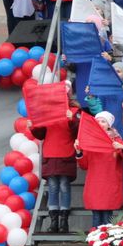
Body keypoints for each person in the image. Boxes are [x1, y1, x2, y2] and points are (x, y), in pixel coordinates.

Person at [74, 111, 123, 229]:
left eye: (103, 121)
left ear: (109, 124)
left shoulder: (116, 140)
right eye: (98, 121)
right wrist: (79, 153)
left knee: (108, 218)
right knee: (96, 218)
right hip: (94, 184)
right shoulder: (89, 140)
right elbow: (84, 165)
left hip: (110, 184)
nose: (100, 123)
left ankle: (106, 245)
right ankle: (97, 245)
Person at [29, 91, 80, 234]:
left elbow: (79, 131)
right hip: (50, 155)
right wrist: (33, 126)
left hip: (66, 153)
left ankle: (64, 221)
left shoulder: (74, 111)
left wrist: (72, 120)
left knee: (64, 186)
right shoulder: (48, 113)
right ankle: (54, 221)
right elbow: (41, 134)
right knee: (52, 187)